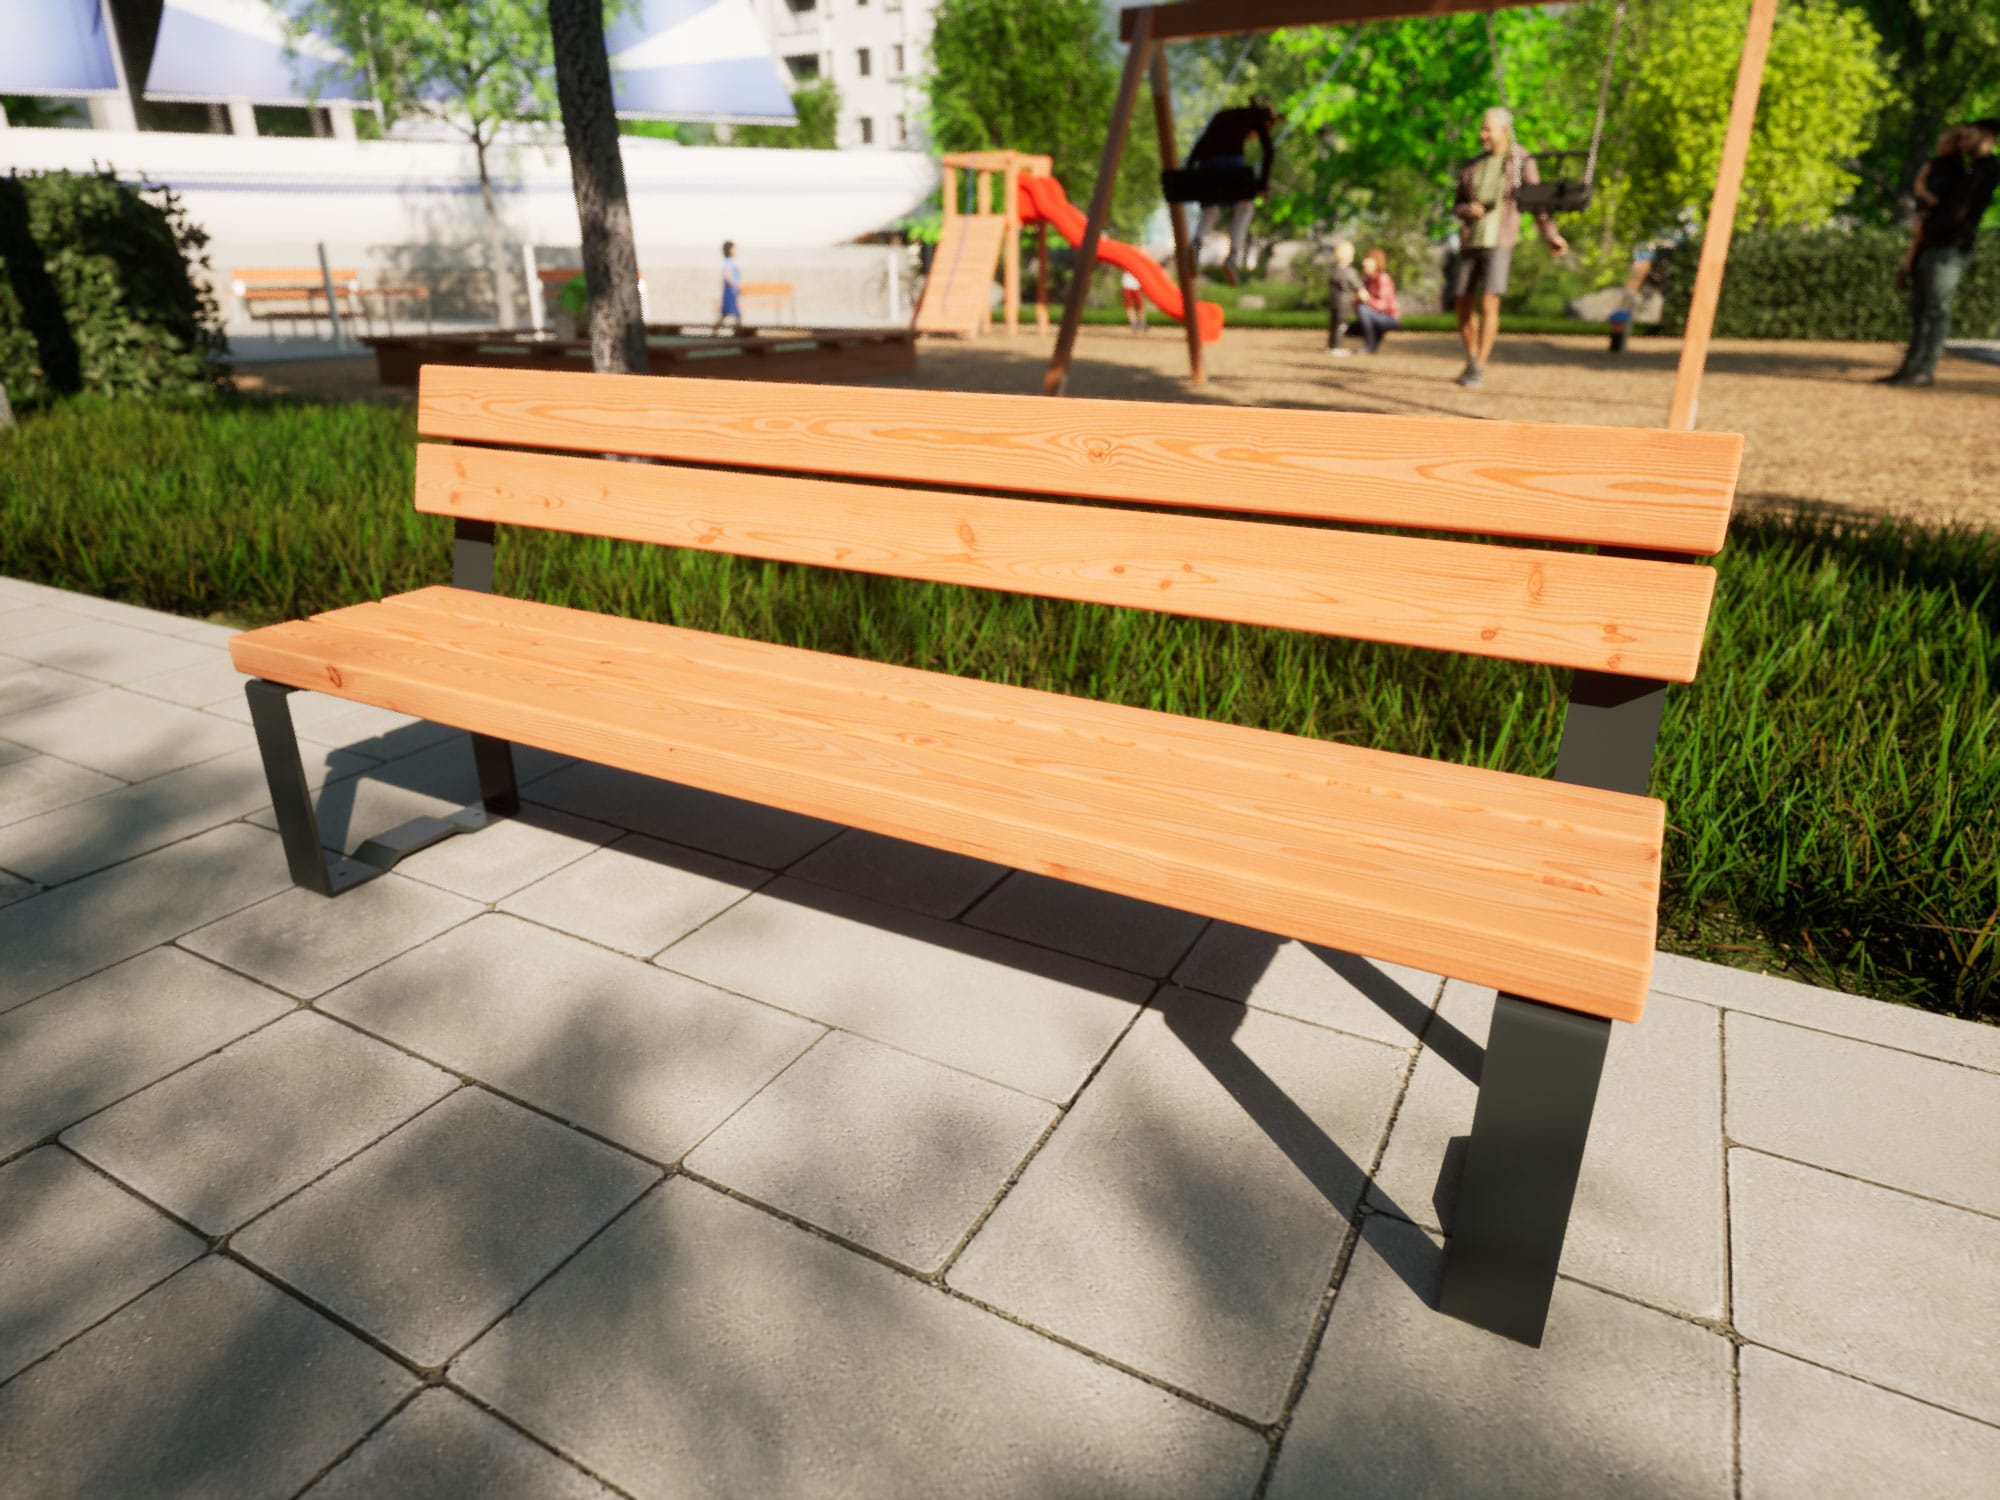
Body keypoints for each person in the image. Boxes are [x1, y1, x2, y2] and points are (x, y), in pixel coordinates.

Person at [1450, 106, 1567, 388]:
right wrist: (1469, 209)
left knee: (1490, 302)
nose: (1482, 135)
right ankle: (1471, 356)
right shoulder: (1472, 165)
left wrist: (1550, 234)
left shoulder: (1520, 160)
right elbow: (1456, 205)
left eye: (1487, 129)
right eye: (1482, 128)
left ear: (1504, 131)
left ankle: (1479, 365)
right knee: (1463, 304)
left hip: (1499, 240)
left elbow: (1536, 200)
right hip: (1471, 241)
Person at [1882, 119, 1998, 388]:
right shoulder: (1964, 169)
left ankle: (1925, 369)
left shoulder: (1986, 170)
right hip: (1932, 244)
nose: (1965, 142)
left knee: (1936, 309)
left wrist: (1927, 227)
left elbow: (1957, 212)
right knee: (1920, 309)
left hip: (1950, 249)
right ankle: (1910, 367)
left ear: (1988, 138)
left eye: (1970, 137)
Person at [1187, 98, 1277, 287]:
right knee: (1245, 206)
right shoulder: (1257, 117)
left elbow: (1201, 143)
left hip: (1206, 167)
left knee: (1210, 208)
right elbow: (1269, 152)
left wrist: (1188, 169)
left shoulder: (1223, 115)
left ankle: (1195, 246)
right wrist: (1262, 184)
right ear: (1268, 122)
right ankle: (1232, 257)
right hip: (1231, 165)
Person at [1355, 247, 1400, 353]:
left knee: (1363, 309)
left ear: (1376, 263)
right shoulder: (1367, 280)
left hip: (1389, 318)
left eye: (1367, 260)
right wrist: (1357, 299)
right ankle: (1374, 340)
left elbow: (1383, 306)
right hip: (1376, 315)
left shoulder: (1383, 278)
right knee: (1356, 318)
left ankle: (1370, 345)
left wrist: (1367, 299)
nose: (1364, 263)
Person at [1326, 240, 1365, 356]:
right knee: (1341, 325)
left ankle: (1331, 345)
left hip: (1333, 301)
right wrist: (1363, 293)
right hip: (1344, 303)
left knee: (1334, 324)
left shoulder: (1333, 271)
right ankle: (1337, 347)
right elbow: (1357, 285)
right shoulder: (1349, 272)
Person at [720, 240, 743, 327]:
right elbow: (728, 277)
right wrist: (736, 285)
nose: (735, 251)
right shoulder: (729, 262)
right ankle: (738, 330)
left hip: (731, 291)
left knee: (726, 313)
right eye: (734, 249)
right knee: (734, 313)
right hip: (730, 291)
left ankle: (716, 332)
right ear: (730, 250)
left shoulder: (729, 262)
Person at [1121, 268, 1148, 333]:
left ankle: (1143, 322)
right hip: (1127, 285)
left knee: (1140, 305)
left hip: (1136, 285)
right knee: (1129, 306)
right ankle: (1133, 323)